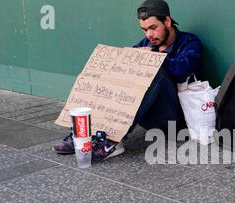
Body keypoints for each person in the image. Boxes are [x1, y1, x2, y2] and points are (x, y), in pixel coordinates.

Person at [53, 0, 202, 161]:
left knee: (154, 71)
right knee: (115, 73)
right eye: (144, 30)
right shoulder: (146, 43)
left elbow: (181, 72)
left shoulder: (189, 42)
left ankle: (112, 141)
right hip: (149, 117)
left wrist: (152, 59)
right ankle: (84, 134)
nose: (149, 35)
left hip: (175, 120)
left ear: (166, 21)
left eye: (153, 28)